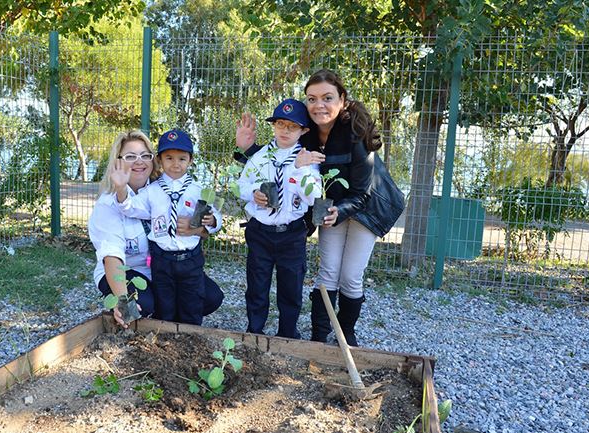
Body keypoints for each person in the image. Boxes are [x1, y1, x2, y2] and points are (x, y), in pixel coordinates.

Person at [236, 69, 387, 347]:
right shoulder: (306, 132)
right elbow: (276, 156)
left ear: (342, 99)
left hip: (366, 207)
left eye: (328, 98)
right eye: (312, 98)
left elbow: (360, 192)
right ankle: (319, 336)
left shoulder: (355, 131)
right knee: (328, 271)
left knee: (351, 276)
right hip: (326, 207)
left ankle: (346, 335)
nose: (319, 105)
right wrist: (245, 151)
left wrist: (336, 210)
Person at [88, 129, 223, 328]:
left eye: (145, 155)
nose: (139, 161)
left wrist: (197, 229)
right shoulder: (109, 204)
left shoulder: (166, 189)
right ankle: (138, 315)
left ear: (153, 160)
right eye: (130, 156)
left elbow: (206, 222)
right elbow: (112, 258)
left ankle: (179, 325)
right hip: (128, 269)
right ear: (118, 161)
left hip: (162, 266)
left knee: (209, 296)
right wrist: (123, 302)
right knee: (142, 305)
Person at [237, 99, 322, 339]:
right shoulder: (261, 155)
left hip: (292, 233)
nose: (285, 131)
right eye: (280, 124)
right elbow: (241, 185)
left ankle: (287, 332)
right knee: (257, 283)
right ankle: (255, 330)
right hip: (260, 231)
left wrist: (299, 169)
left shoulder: (307, 159)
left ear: (303, 130)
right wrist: (253, 193)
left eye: (292, 127)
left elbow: (313, 197)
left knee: (291, 285)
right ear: (273, 126)